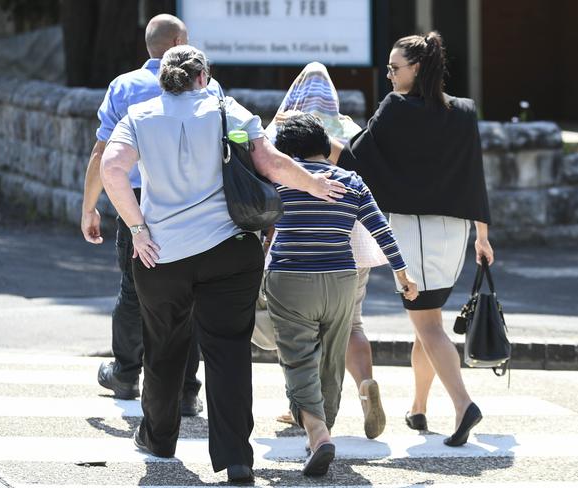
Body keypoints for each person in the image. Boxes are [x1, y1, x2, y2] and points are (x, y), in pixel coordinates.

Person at [100, 45, 347, 483]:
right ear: (202, 77)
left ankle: (158, 438)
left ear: (165, 78)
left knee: (163, 347)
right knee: (229, 351)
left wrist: (137, 229)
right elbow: (269, 162)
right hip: (229, 249)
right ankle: (236, 459)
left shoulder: (139, 115)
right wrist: (313, 184)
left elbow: (113, 168)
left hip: (163, 254)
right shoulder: (226, 108)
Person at [339, 31, 494, 447]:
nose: (389, 75)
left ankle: (464, 405)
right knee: (428, 322)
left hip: (415, 230)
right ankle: (418, 407)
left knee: (427, 324)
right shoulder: (463, 111)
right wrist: (483, 235)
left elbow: (356, 157)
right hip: (455, 231)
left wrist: (320, 141)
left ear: (417, 68)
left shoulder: (395, 108)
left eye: (394, 68)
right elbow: (474, 174)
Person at [80, 14, 221, 415]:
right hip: (196, 198)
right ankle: (187, 390)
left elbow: (103, 153)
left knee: (133, 287)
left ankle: (125, 374)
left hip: (135, 197)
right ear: (178, 42)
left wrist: (90, 206)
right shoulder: (206, 82)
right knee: (191, 292)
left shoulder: (124, 86)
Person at [266, 113, 418, 476]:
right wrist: (402, 273)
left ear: (286, 152)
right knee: (332, 357)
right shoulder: (351, 181)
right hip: (340, 280)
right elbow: (381, 229)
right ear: (324, 146)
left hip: (291, 276)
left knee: (299, 357)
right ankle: (322, 427)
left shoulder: (278, 179)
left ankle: (318, 433)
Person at [266, 63, 392, 439]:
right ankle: (365, 384)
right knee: (350, 324)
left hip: (299, 251)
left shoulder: (284, 131)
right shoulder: (350, 131)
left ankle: (305, 408)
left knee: (301, 331)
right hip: (351, 250)